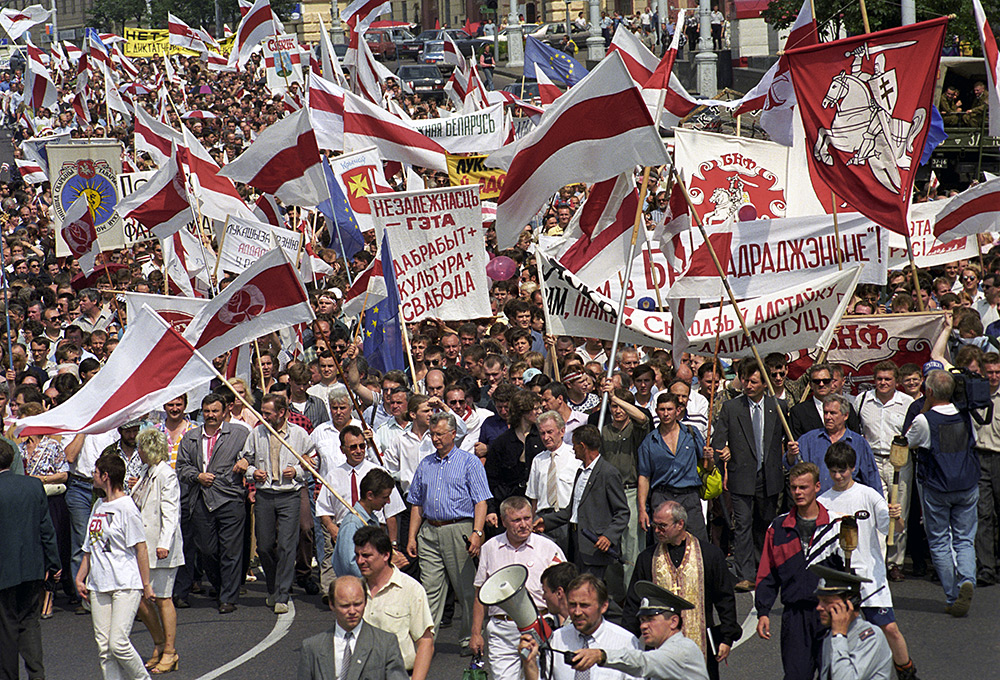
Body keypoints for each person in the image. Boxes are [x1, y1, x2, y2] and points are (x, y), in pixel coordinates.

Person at [819, 442, 920, 680]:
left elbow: (893, 529)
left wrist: (898, 517)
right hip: (840, 580)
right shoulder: (823, 502)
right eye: (833, 471)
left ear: (852, 468)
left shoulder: (869, 495)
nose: (838, 475)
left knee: (890, 629)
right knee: (836, 632)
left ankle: (908, 674)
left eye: (842, 470)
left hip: (871, 578)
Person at [623, 501, 739, 680]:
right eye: (655, 525)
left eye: (662, 526)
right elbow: (633, 603)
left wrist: (726, 638)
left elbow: (725, 598)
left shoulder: (709, 555)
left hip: (701, 644)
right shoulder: (647, 558)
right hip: (659, 649)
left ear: (680, 524)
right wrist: (627, 642)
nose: (657, 531)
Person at [406, 411, 492, 651]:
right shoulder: (426, 463)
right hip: (430, 531)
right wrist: (412, 536)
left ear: (453, 434)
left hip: (459, 529)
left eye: (440, 434)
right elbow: (416, 503)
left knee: (465, 589)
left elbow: (481, 501)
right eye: (432, 434)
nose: (435, 439)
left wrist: (477, 532)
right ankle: (426, 642)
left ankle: (469, 636)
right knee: (429, 589)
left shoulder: (469, 462)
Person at [710, 359, 798, 592]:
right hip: (741, 477)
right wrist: (719, 457)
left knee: (764, 525)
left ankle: (764, 569)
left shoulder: (778, 407)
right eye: (745, 380)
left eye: (753, 381)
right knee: (743, 526)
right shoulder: (732, 408)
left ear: (764, 383)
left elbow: (786, 441)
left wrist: (790, 453)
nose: (748, 385)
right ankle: (745, 573)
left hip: (770, 477)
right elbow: (719, 441)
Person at [755, 462, 844, 680]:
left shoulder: (837, 525)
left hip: (830, 614)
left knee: (834, 675)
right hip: (794, 617)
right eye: (794, 487)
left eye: (803, 487)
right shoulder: (777, 527)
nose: (797, 492)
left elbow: (852, 572)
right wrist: (763, 611)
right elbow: (767, 573)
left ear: (817, 487)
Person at [903, 369, 979, 616]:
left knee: (939, 541)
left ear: (930, 391)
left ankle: (952, 594)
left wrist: (925, 406)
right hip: (966, 484)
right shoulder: (966, 415)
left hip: (937, 486)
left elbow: (909, 441)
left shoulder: (925, 420)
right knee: (965, 538)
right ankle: (967, 578)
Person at [75, 453, 155, 680]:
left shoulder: (128, 508)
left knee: (118, 643)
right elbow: (90, 546)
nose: (93, 476)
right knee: (104, 648)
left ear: (106, 476)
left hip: (124, 583)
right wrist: (81, 578)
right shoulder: (98, 505)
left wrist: (146, 585)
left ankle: (142, 678)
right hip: (99, 584)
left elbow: (141, 548)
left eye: (96, 472)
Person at [470, 496, 565, 680]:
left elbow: (562, 595)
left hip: (539, 626)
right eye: (516, 520)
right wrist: (475, 634)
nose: (523, 524)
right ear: (503, 521)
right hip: (501, 630)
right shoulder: (489, 548)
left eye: (527, 518)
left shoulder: (548, 548)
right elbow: (479, 594)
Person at [175, 394, 249, 614]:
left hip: (230, 498)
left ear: (225, 411)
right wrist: (197, 476)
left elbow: (254, 454)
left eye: (215, 411)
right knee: (207, 549)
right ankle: (219, 586)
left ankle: (228, 597)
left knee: (231, 550)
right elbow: (182, 467)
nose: (211, 416)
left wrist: (247, 460)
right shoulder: (191, 437)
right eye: (207, 411)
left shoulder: (240, 433)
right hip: (200, 500)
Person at [243, 393, 317, 614]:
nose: (263, 417)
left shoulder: (299, 434)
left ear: (282, 412)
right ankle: (273, 586)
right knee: (264, 546)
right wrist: (252, 472)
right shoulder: (257, 433)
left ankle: (282, 594)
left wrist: (297, 471)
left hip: (290, 494)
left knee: (286, 545)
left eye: (267, 413)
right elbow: (246, 460)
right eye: (262, 412)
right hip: (265, 494)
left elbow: (313, 460)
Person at [0, 438, 60, 680]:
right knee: (30, 623)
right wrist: (54, 563)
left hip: (4, 570)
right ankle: (37, 675)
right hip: (32, 566)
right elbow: (47, 528)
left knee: (6, 628)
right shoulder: (33, 486)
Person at [540, 425, 630, 581]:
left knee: (593, 592)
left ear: (582, 446)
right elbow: (572, 511)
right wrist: (545, 522)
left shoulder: (608, 473)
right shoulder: (580, 472)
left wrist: (608, 536)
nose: (573, 448)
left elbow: (622, 512)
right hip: (577, 545)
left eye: (574, 444)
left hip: (594, 548)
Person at [567, 581, 709, 680]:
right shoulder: (665, 650)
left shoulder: (682, 650)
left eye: (650, 619)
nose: (643, 626)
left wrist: (601, 656)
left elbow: (643, 662)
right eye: (642, 620)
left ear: (673, 622)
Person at [519, 573, 640, 680]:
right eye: (572, 605)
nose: (577, 612)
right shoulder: (556, 639)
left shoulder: (626, 642)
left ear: (603, 606)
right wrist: (529, 663)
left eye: (584, 605)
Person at [132, 429, 184, 674]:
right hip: (143, 547)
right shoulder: (146, 472)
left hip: (161, 547)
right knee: (141, 599)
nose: (138, 451)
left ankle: (170, 651)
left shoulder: (167, 474)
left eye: (140, 447)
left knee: (163, 598)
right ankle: (159, 643)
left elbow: (170, 512)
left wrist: (164, 543)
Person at [353, 526, 434, 680]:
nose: (360, 561)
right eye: (357, 555)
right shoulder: (354, 590)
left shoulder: (411, 589)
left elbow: (425, 642)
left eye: (366, 555)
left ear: (386, 555)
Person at [296, 575, 408, 680]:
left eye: (358, 604)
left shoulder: (385, 643)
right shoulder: (312, 647)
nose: (352, 611)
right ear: (331, 604)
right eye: (345, 606)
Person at [638, 393, 709, 542]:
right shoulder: (649, 441)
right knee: (662, 544)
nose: (665, 414)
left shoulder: (692, 433)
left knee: (698, 542)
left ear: (677, 411)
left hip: (689, 496)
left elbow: (706, 465)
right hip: (662, 495)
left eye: (669, 409)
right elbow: (644, 477)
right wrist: (642, 509)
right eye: (662, 409)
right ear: (656, 411)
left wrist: (711, 458)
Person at [811, 566, 893, 680]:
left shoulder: (871, 638)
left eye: (827, 602)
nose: (819, 607)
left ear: (849, 603)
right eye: (819, 601)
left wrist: (839, 635)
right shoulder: (831, 634)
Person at [792, 394, 883, 495]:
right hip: (819, 504)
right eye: (825, 413)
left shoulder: (858, 443)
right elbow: (793, 466)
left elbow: (871, 477)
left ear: (845, 415)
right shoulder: (808, 440)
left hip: (850, 502)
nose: (828, 417)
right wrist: (791, 455)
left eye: (833, 413)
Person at [525, 410, 580, 553]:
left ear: (562, 431)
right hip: (542, 520)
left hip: (566, 519)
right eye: (542, 433)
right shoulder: (538, 460)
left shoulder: (575, 456)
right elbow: (534, 498)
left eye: (550, 432)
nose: (546, 437)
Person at [332, 467, 397, 578]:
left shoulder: (373, 519)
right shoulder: (352, 524)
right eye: (385, 497)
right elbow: (350, 564)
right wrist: (378, 577)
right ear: (370, 495)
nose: (388, 501)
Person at [789, 363, 862, 439]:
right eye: (817, 381)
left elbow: (856, 438)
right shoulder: (798, 412)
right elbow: (796, 444)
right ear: (810, 385)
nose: (821, 384)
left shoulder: (846, 407)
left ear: (831, 382)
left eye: (825, 381)